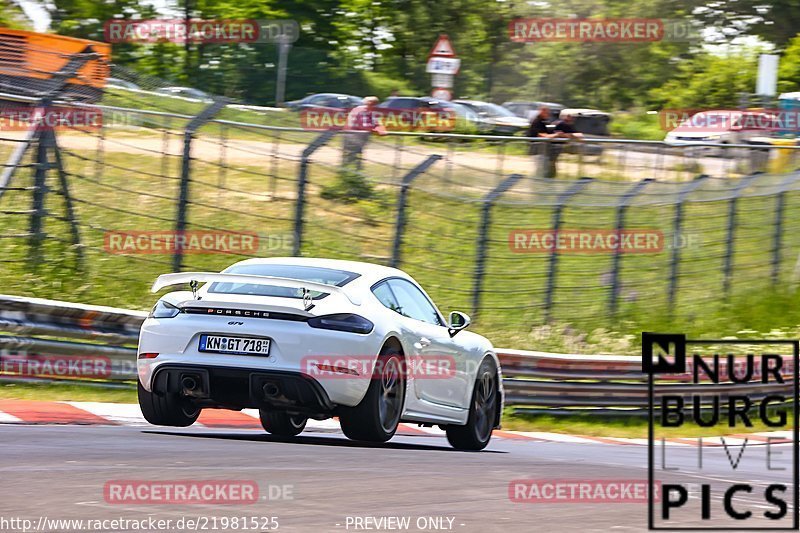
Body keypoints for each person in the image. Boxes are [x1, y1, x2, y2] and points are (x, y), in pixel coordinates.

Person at [344, 96, 385, 169]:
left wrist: (380, 129)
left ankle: (353, 171)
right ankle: (349, 170)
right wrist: (376, 130)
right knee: (352, 153)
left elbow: (376, 123)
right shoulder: (361, 110)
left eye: (375, 104)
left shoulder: (371, 112)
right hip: (353, 135)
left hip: (359, 136)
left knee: (356, 153)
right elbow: (363, 125)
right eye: (372, 104)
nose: (374, 106)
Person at [527, 106, 559, 178]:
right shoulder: (537, 121)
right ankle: (537, 186)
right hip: (537, 150)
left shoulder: (544, 121)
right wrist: (555, 135)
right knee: (541, 171)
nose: (548, 114)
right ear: (541, 111)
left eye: (548, 112)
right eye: (547, 112)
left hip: (544, 151)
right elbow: (542, 135)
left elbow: (548, 132)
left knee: (545, 171)